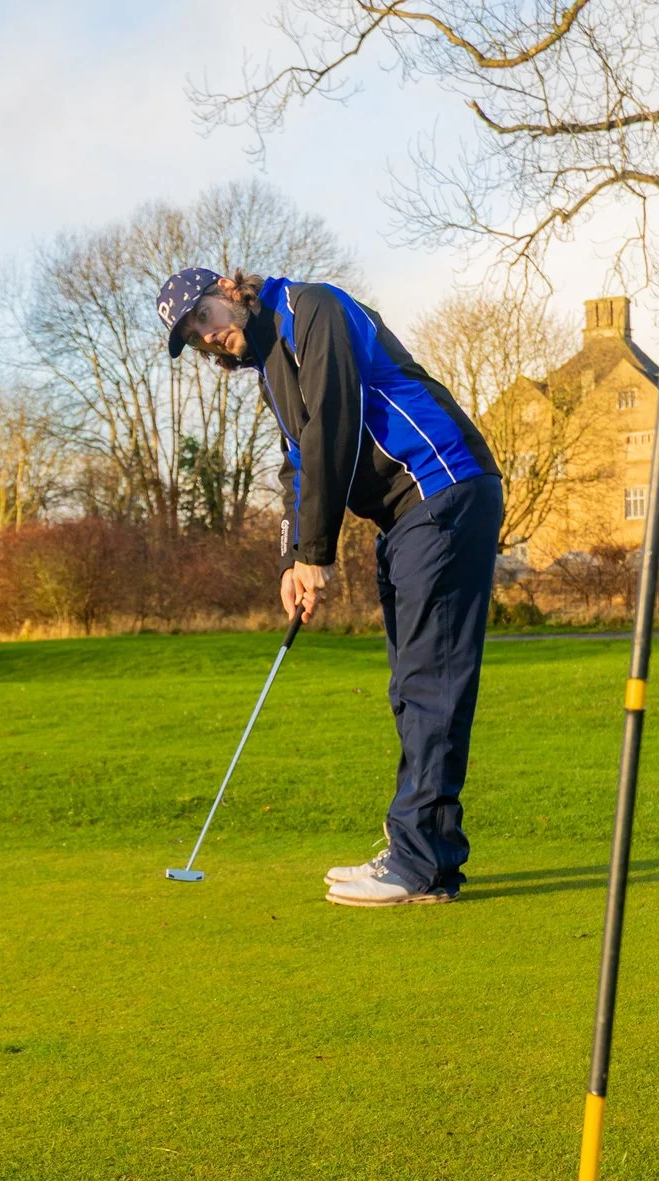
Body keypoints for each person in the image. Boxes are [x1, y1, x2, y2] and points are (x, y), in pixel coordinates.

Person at [157, 266, 504, 907]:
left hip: (443, 484)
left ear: (226, 292)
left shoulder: (311, 309)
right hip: (406, 514)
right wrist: (294, 559)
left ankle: (420, 863)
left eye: (203, 318)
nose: (206, 338)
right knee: (412, 684)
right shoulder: (271, 370)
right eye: (192, 338)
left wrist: (319, 551)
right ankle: (421, 850)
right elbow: (298, 461)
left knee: (431, 681)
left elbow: (333, 425)